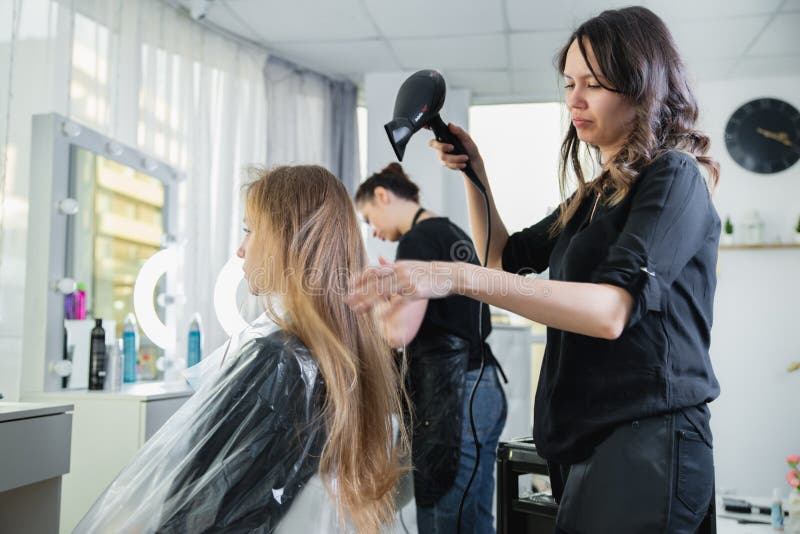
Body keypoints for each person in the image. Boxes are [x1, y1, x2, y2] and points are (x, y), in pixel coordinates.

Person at [348, 7, 721, 533]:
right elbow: (501, 260)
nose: (574, 98)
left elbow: (612, 311)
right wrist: (476, 176)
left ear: (643, 86)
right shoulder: (594, 197)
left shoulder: (674, 177)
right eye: (569, 82)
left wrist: (452, 277)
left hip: (649, 438)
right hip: (586, 436)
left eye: (594, 83)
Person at [75, 165, 409, 534]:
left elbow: (198, 511)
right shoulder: (340, 358)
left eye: (250, 231)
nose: (240, 249)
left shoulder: (278, 362)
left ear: (288, 239)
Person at [355, 162, 507, 533]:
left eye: (368, 216)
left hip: (453, 399)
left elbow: (397, 334)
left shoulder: (417, 241)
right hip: (485, 389)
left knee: (445, 520)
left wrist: (373, 302)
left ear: (382, 195)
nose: (373, 230)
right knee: (475, 520)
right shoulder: (452, 232)